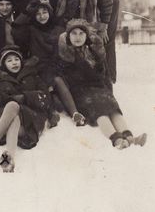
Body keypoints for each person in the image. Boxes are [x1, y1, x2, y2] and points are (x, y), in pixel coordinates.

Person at [58, 18, 147, 149]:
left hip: (99, 90)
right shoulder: (66, 56)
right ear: (68, 36)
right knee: (101, 112)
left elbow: (104, 75)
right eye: (74, 33)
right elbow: (67, 80)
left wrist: (108, 92)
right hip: (81, 94)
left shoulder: (93, 52)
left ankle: (130, 137)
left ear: (87, 36)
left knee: (113, 109)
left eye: (81, 33)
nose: (78, 37)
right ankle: (116, 139)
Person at [0, 45, 50, 172]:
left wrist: (25, 97)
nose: (14, 63)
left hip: (29, 123)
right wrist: (5, 98)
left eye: (16, 59)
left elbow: (45, 98)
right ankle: (10, 158)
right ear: (3, 65)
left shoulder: (33, 77)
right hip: (1, 122)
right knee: (14, 115)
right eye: (9, 60)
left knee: (13, 107)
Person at [13, 0, 81, 126]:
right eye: (38, 14)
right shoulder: (31, 30)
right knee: (43, 85)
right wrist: (26, 12)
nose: (42, 16)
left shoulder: (59, 29)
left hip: (57, 66)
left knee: (57, 81)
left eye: (44, 12)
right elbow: (16, 30)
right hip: (38, 66)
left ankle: (75, 113)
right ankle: (51, 113)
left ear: (50, 13)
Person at [54, 0, 118, 83]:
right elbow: (62, 7)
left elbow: (107, 2)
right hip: (72, 22)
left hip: (93, 19)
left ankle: (107, 78)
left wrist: (103, 26)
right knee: (62, 41)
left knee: (100, 43)